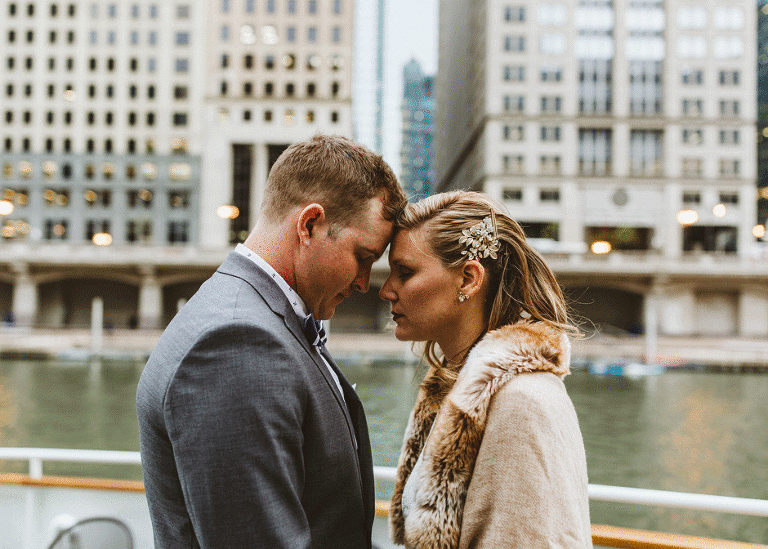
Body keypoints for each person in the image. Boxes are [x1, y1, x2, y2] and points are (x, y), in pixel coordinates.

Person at [136, 135, 407, 549]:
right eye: (363, 256)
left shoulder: (255, 318)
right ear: (310, 224)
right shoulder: (235, 344)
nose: (364, 283)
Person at [380, 191, 592, 549]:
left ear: (467, 279)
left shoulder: (522, 401)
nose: (387, 290)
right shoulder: (457, 390)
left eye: (405, 272)